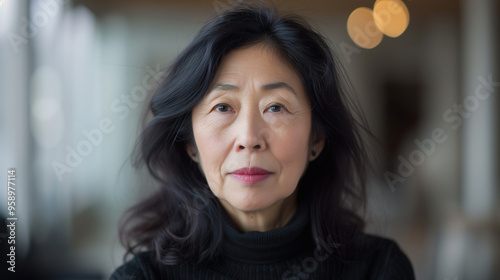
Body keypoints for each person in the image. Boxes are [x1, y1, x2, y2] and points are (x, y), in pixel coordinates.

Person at [110, 3, 415, 280]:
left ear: (317, 139)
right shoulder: (143, 277)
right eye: (223, 107)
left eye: (276, 107)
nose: (249, 139)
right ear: (190, 145)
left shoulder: (379, 269)